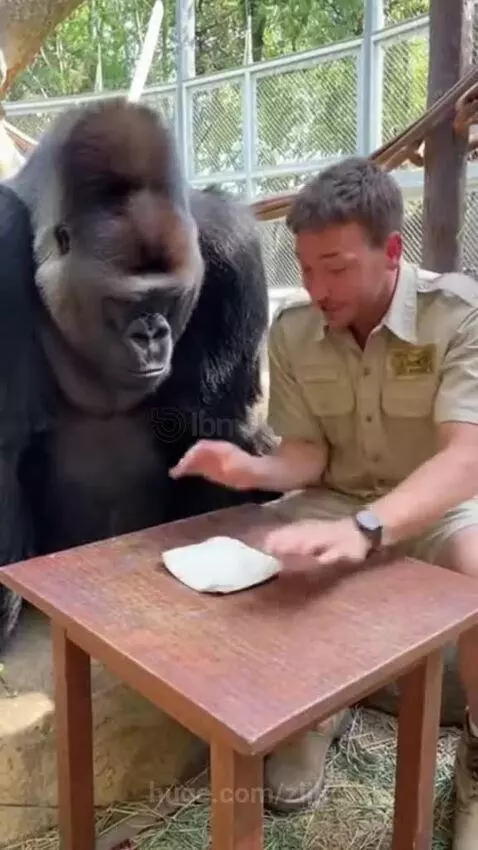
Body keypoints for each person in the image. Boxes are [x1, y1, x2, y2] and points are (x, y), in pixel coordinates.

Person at [170, 156, 478, 849]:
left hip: (433, 501)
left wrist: (367, 529)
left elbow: (467, 458)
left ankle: (476, 770)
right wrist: (251, 470)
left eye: (336, 267)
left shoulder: (456, 312)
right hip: (336, 498)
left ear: (391, 251)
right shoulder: (295, 330)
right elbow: (306, 454)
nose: (317, 287)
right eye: (307, 268)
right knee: (261, 561)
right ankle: (310, 714)